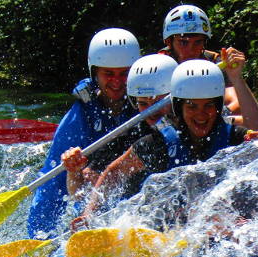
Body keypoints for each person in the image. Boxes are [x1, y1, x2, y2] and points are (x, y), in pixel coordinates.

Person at [80, 55, 258, 219]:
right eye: (192, 106)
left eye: (208, 106)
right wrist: (89, 213)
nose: (201, 115)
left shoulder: (235, 137)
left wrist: (237, 78)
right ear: (179, 107)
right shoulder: (157, 143)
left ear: (217, 108)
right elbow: (114, 172)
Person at [27, 28, 140, 239]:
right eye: (108, 74)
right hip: (90, 178)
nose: (117, 82)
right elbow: (52, 182)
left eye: (124, 73)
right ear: (94, 73)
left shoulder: (146, 102)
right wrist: (39, 237)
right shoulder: (83, 112)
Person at [60, 53, 178, 203]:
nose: (151, 112)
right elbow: (80, 194)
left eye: (157, 104)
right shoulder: (133, 132)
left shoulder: (202, 120)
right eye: (143, 104)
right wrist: (74, 172)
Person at [159, 4, 240, 117]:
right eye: (183, 42)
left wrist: (214, 118)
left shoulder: (215, 63)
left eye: (197, 42)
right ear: (168, 42)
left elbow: (235, 103)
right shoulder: (158, 66)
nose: (191, 51)